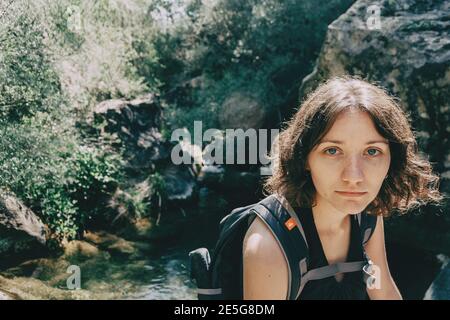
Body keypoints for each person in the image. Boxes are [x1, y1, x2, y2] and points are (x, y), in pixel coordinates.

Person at [243, 76, 444, 300]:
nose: (354, 177)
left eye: (371, 152)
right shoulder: (269, 248)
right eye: (332, 150)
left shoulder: (366, 214)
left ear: (392, 160)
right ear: (304, 158)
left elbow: (382, 288)